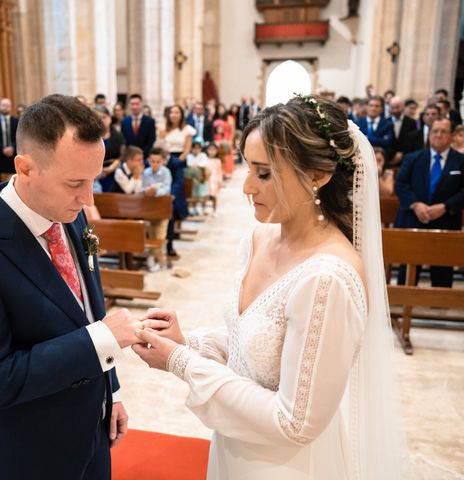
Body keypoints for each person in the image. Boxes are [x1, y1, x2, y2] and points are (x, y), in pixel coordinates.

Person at [131, 95, 406, 479]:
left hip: (285, 467)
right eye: (247, 167)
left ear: (317, 175)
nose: (246, 186)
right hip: (233, 447)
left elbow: (295, 422)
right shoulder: (260, 237)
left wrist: (181, 362)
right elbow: (257, 350)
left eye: (263, 173)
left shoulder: (327, 279)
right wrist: (188, 342)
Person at [0, 95, 142, 479]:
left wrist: (109, 393)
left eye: (93, 180)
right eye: (75, 183)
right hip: (32, 451)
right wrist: (98, 341)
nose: (88, 199)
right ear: (25, 167)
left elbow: (85, 308)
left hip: (94, 430)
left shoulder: (68, 214)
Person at [394, 118, 464, 287]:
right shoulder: (414, 158)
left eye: (443, 131)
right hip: (414, 219)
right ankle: (404, 306)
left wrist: (445, 206)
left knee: (442, 270)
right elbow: (400, 184)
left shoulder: (461, 161)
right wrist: (416, 204)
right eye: (435, 131)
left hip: (445, 220)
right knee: (408, 267)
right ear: (429, 134)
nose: (438, 135)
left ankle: (440, 307)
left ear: (452, 136)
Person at [161, 104, 196, 257]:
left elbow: (187, 149)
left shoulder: (187, 129)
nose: (174, 115)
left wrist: (177, 161)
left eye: (177, 112)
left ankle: (171, 238)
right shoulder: (163, 128)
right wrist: (167, 160)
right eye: (172, 112)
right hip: (165, 160)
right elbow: (161, 146)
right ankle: (165, 239)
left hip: (179, 162)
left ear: (181, 114)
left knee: (174, 197)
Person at [142, 147, 172, 271]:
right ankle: (153, 260)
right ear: (149, 160)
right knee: (151, 236)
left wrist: (155, 191)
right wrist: (146, 191)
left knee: (160, 237)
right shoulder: (146, 172)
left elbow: (166, 189)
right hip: (149, 210)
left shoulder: (166, 172)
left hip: (162, 210)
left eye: (157, 162)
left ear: (162, 161)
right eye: (152, 161)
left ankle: (160, 261)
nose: (155, 164)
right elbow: (142, 188)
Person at [94, 106, 125, 192]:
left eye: (104, 117)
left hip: (113, 171)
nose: (101, 120)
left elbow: (121, 156)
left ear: (110, 119)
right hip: (93, 173)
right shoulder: (90, 137)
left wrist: (111, 168)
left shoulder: (118, 136)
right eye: (97, 118)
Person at [0, 98, 19, 182]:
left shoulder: (16, 121)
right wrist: (3, 149)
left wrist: (12, 147)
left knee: (14, 180)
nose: (5, 107)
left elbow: (18, 136)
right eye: (3, 105)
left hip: (13, 155)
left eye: (7, 105)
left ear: (10, 107)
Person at [121, 94, 156, 160]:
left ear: (141, 104)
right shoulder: (124, 121)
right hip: (130, 157)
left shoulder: (150, 121)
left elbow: (151, 140)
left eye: (137, 104)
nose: (134, 106)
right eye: (132, 104)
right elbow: (124, 140)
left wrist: (142, 154)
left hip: (145, 157)